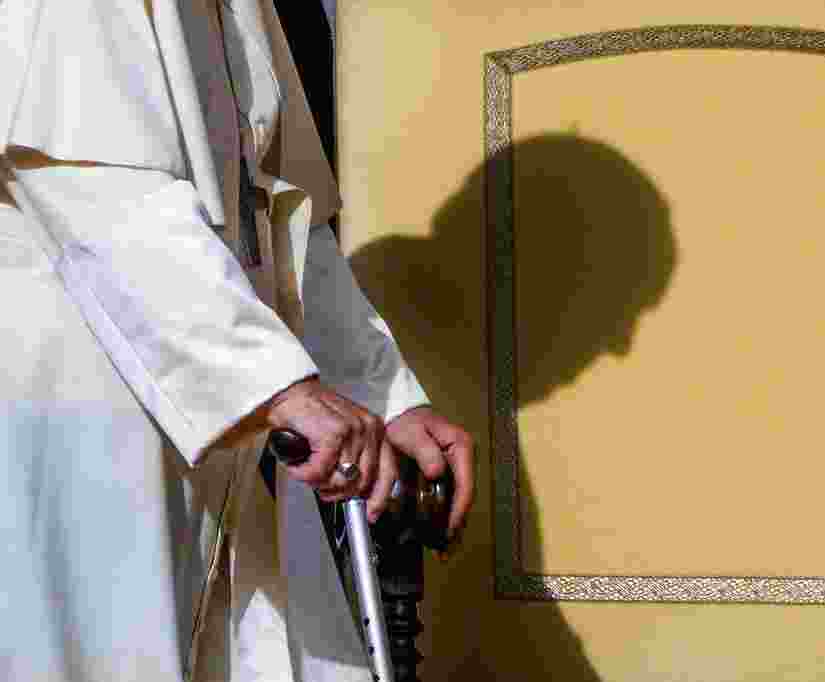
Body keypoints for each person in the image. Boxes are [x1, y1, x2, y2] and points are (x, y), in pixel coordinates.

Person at [0, 1, 474, 681]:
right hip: (83, 412)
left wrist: (383, 393)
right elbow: (95, 185)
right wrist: (274, 383)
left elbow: (285, 222)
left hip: (222, 410)